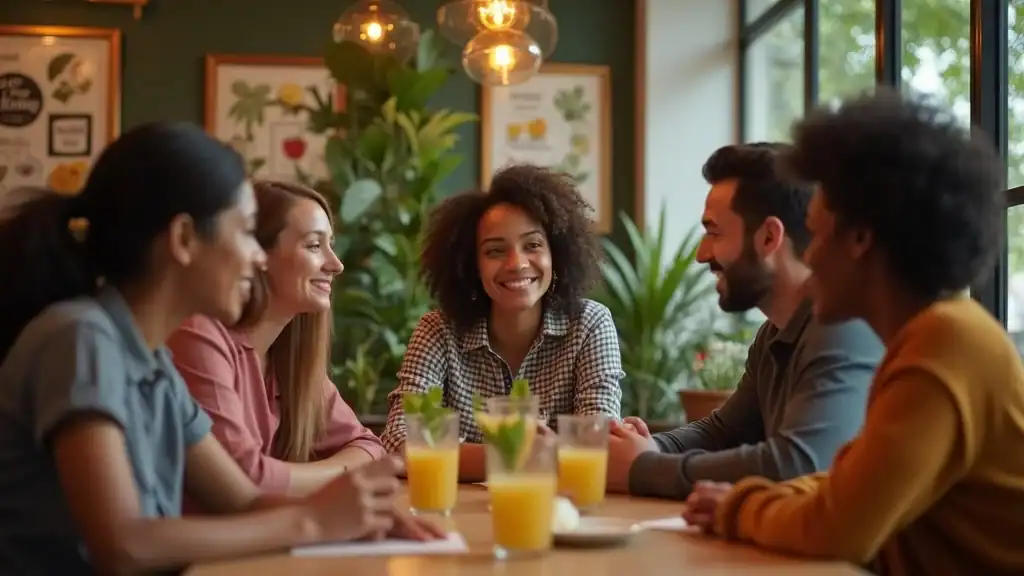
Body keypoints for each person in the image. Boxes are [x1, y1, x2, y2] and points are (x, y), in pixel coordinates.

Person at [0, 123, 440, 575]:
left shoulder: (152, 363)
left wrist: (360, 522)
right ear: (185, 239)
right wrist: (311, 522)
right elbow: (123, 544)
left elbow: (241, 498)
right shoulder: (81, 338)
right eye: (247, 232)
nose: (257, 256)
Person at [684, 92, 1024, 575]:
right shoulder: (922, 336)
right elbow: (849, 484)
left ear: (861, 241)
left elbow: (837, 528)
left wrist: (741, 508)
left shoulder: (946, 344)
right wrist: (751, 498)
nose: (812, 256)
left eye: (819, 234)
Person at [604, 143, 883, 499]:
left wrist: (643, 467)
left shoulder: (845, 329)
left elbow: (799, 464)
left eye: (714, 232)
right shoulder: (775, 332)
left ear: (769, 237)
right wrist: (638, 448)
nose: (702, 254)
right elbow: (723, 433)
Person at [380, 164, 624, 481]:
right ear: (472, 265)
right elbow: (401, 441)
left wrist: (457, 454)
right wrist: (524, 451)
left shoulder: (590, 323)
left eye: (533, 245)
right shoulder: (437, 331)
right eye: (495, 251)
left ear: (557, 253)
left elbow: (597, 441)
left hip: (560, 512)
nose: (517, 264)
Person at [167, 180, 384, 499]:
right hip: (204, 546)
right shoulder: (200, 335)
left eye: (331, 245)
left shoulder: (292, 357)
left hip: (260, 542)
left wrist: (293, 478)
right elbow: (242, 479)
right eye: (313, 245)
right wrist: (344, 478)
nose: (335, 264)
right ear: (257, 254)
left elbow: (369, 447)